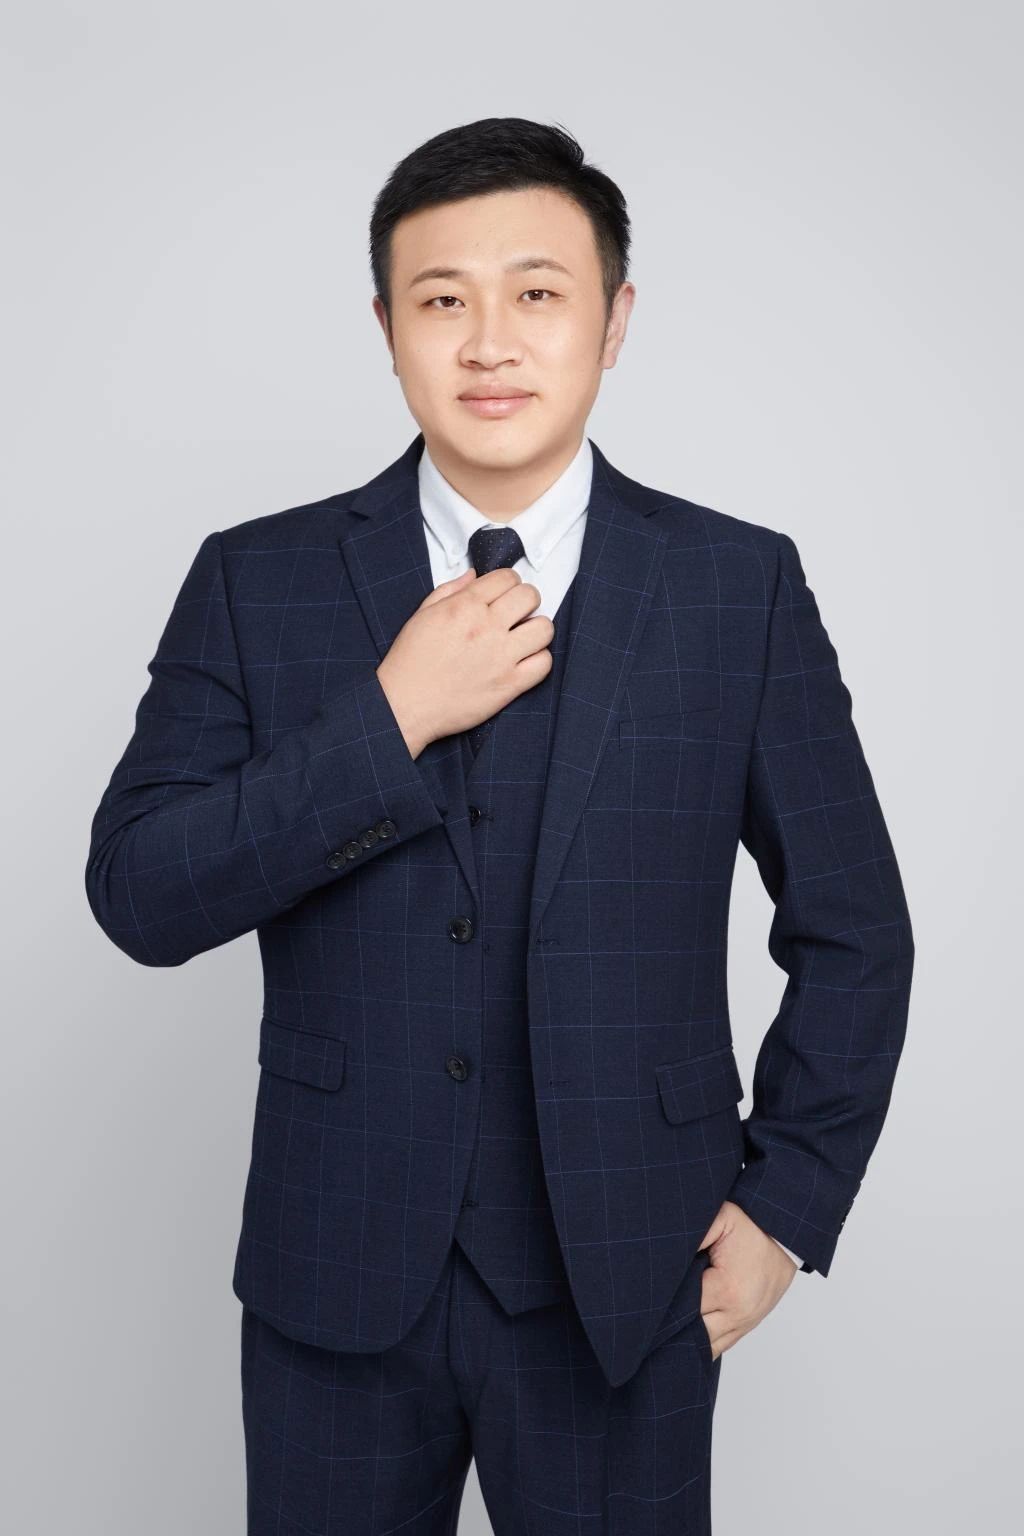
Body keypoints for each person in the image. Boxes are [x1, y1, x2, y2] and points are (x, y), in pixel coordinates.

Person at [85, 116, 915, 1534]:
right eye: (441, 300)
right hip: (334, 1276)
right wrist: (389, 718)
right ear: (386, 328)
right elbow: (140, 894)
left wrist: (790, 1203)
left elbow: (856, 931)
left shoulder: (738, 589)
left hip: (631, 1278)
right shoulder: (254, 580)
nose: (489, 344)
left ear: (615, 320)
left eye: (537, 293)